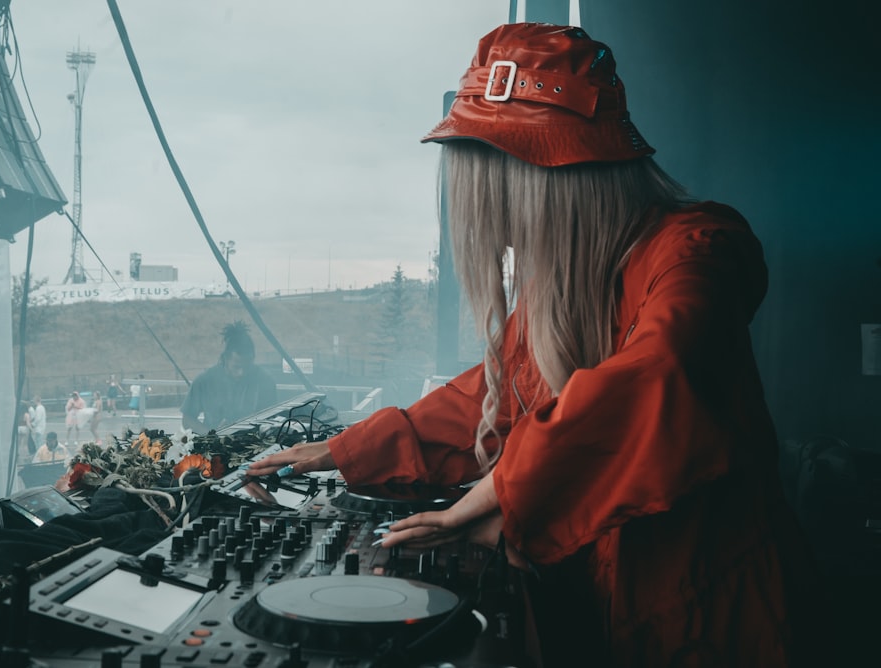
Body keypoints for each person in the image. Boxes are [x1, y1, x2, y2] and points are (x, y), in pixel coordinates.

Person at [246, 23, 825, 667]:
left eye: (499, 198)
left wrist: (496, 503)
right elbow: (489, 398)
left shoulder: (697, 249)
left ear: (553, 178)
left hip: (714, 621)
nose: (497, 229)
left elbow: (654, 379)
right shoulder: (570, 278)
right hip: (608, 605)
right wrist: (346, 449)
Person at [181, 321, 277, 433]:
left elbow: (272, 418)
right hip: (214, 442)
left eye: (247, 367)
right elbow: (187, 420)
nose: (242, 373)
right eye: (236, 367)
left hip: (255, 440)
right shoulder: (204, 381)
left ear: (253, 358)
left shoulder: (265, 380)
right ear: (225, 358)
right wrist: (211, 435)